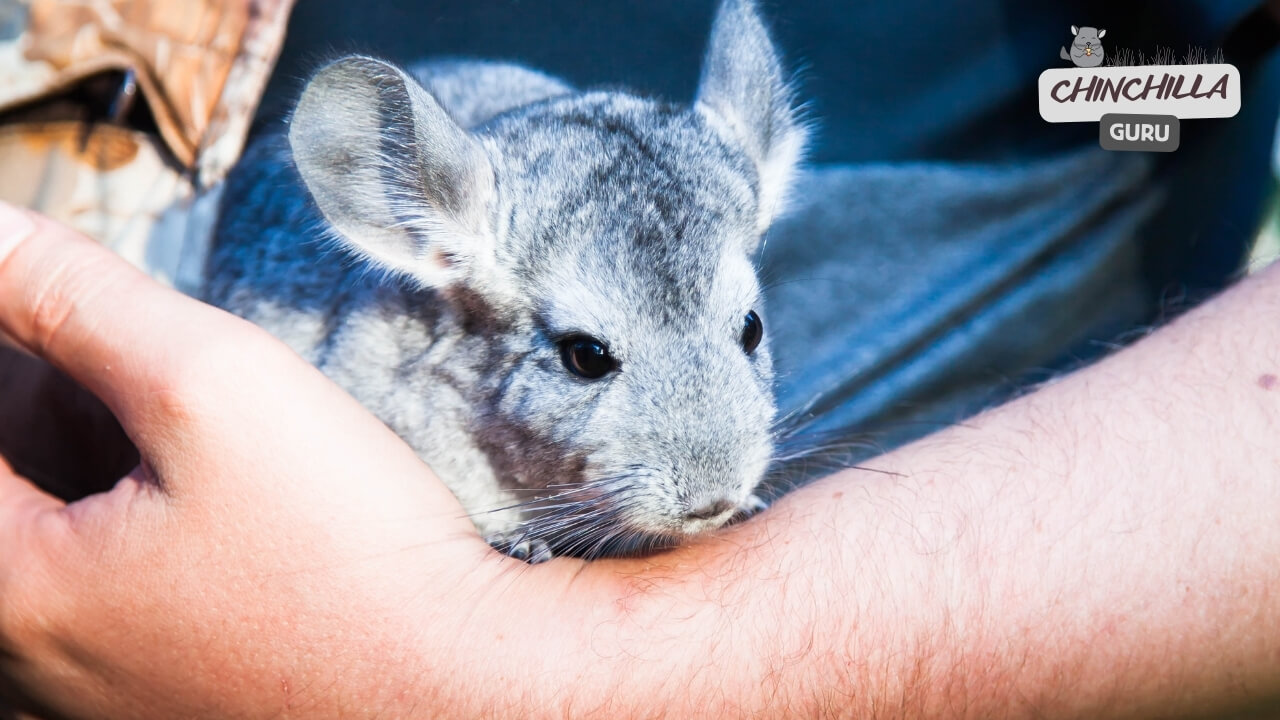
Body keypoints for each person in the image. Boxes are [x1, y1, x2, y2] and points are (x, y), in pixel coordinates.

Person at [2, 0, 1280, 716]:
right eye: (586, 355)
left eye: (745, 332)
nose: (720, 454)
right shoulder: (407, 289)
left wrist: (589, 675)